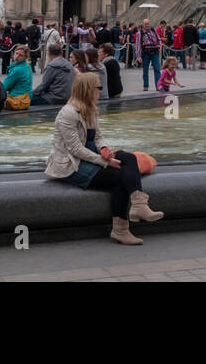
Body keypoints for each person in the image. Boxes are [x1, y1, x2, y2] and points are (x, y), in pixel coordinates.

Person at [45, 73, 164, 245]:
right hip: (72, 164)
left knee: (128, 157)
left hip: (92, 156)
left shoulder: (91, 109)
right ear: (87, 90)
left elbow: (98, 137)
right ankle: (120, 230)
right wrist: (104, 161)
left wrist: (104, 149)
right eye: (98, 87)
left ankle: (139, 205)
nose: (101, 91)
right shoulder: (68, 113)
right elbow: (75, 149)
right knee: (119, 179)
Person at [135, 19, 162, 91]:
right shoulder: (139, 33)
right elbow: (137, 46)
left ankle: (158, 86)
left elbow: (159, 39)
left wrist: (159, 45)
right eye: (145, 24)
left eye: (148, 23)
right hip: (145, 53)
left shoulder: (153, 30)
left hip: (154, 52)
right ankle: (145, 85)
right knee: (145, 70)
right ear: (143, 24)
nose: (147, 25)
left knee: (157, 69)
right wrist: (138, 56)